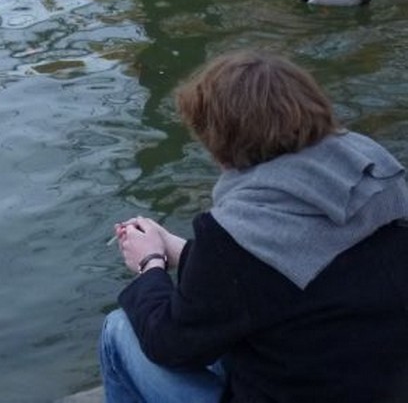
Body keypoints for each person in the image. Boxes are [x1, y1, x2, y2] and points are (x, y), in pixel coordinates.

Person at [100, 50, 408, 403]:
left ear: (218, 141)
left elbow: (170, 344)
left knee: (119, 330)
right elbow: (283, 282)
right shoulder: (374, 178)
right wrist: (178, 249)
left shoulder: (238, 235)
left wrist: (149, 265)